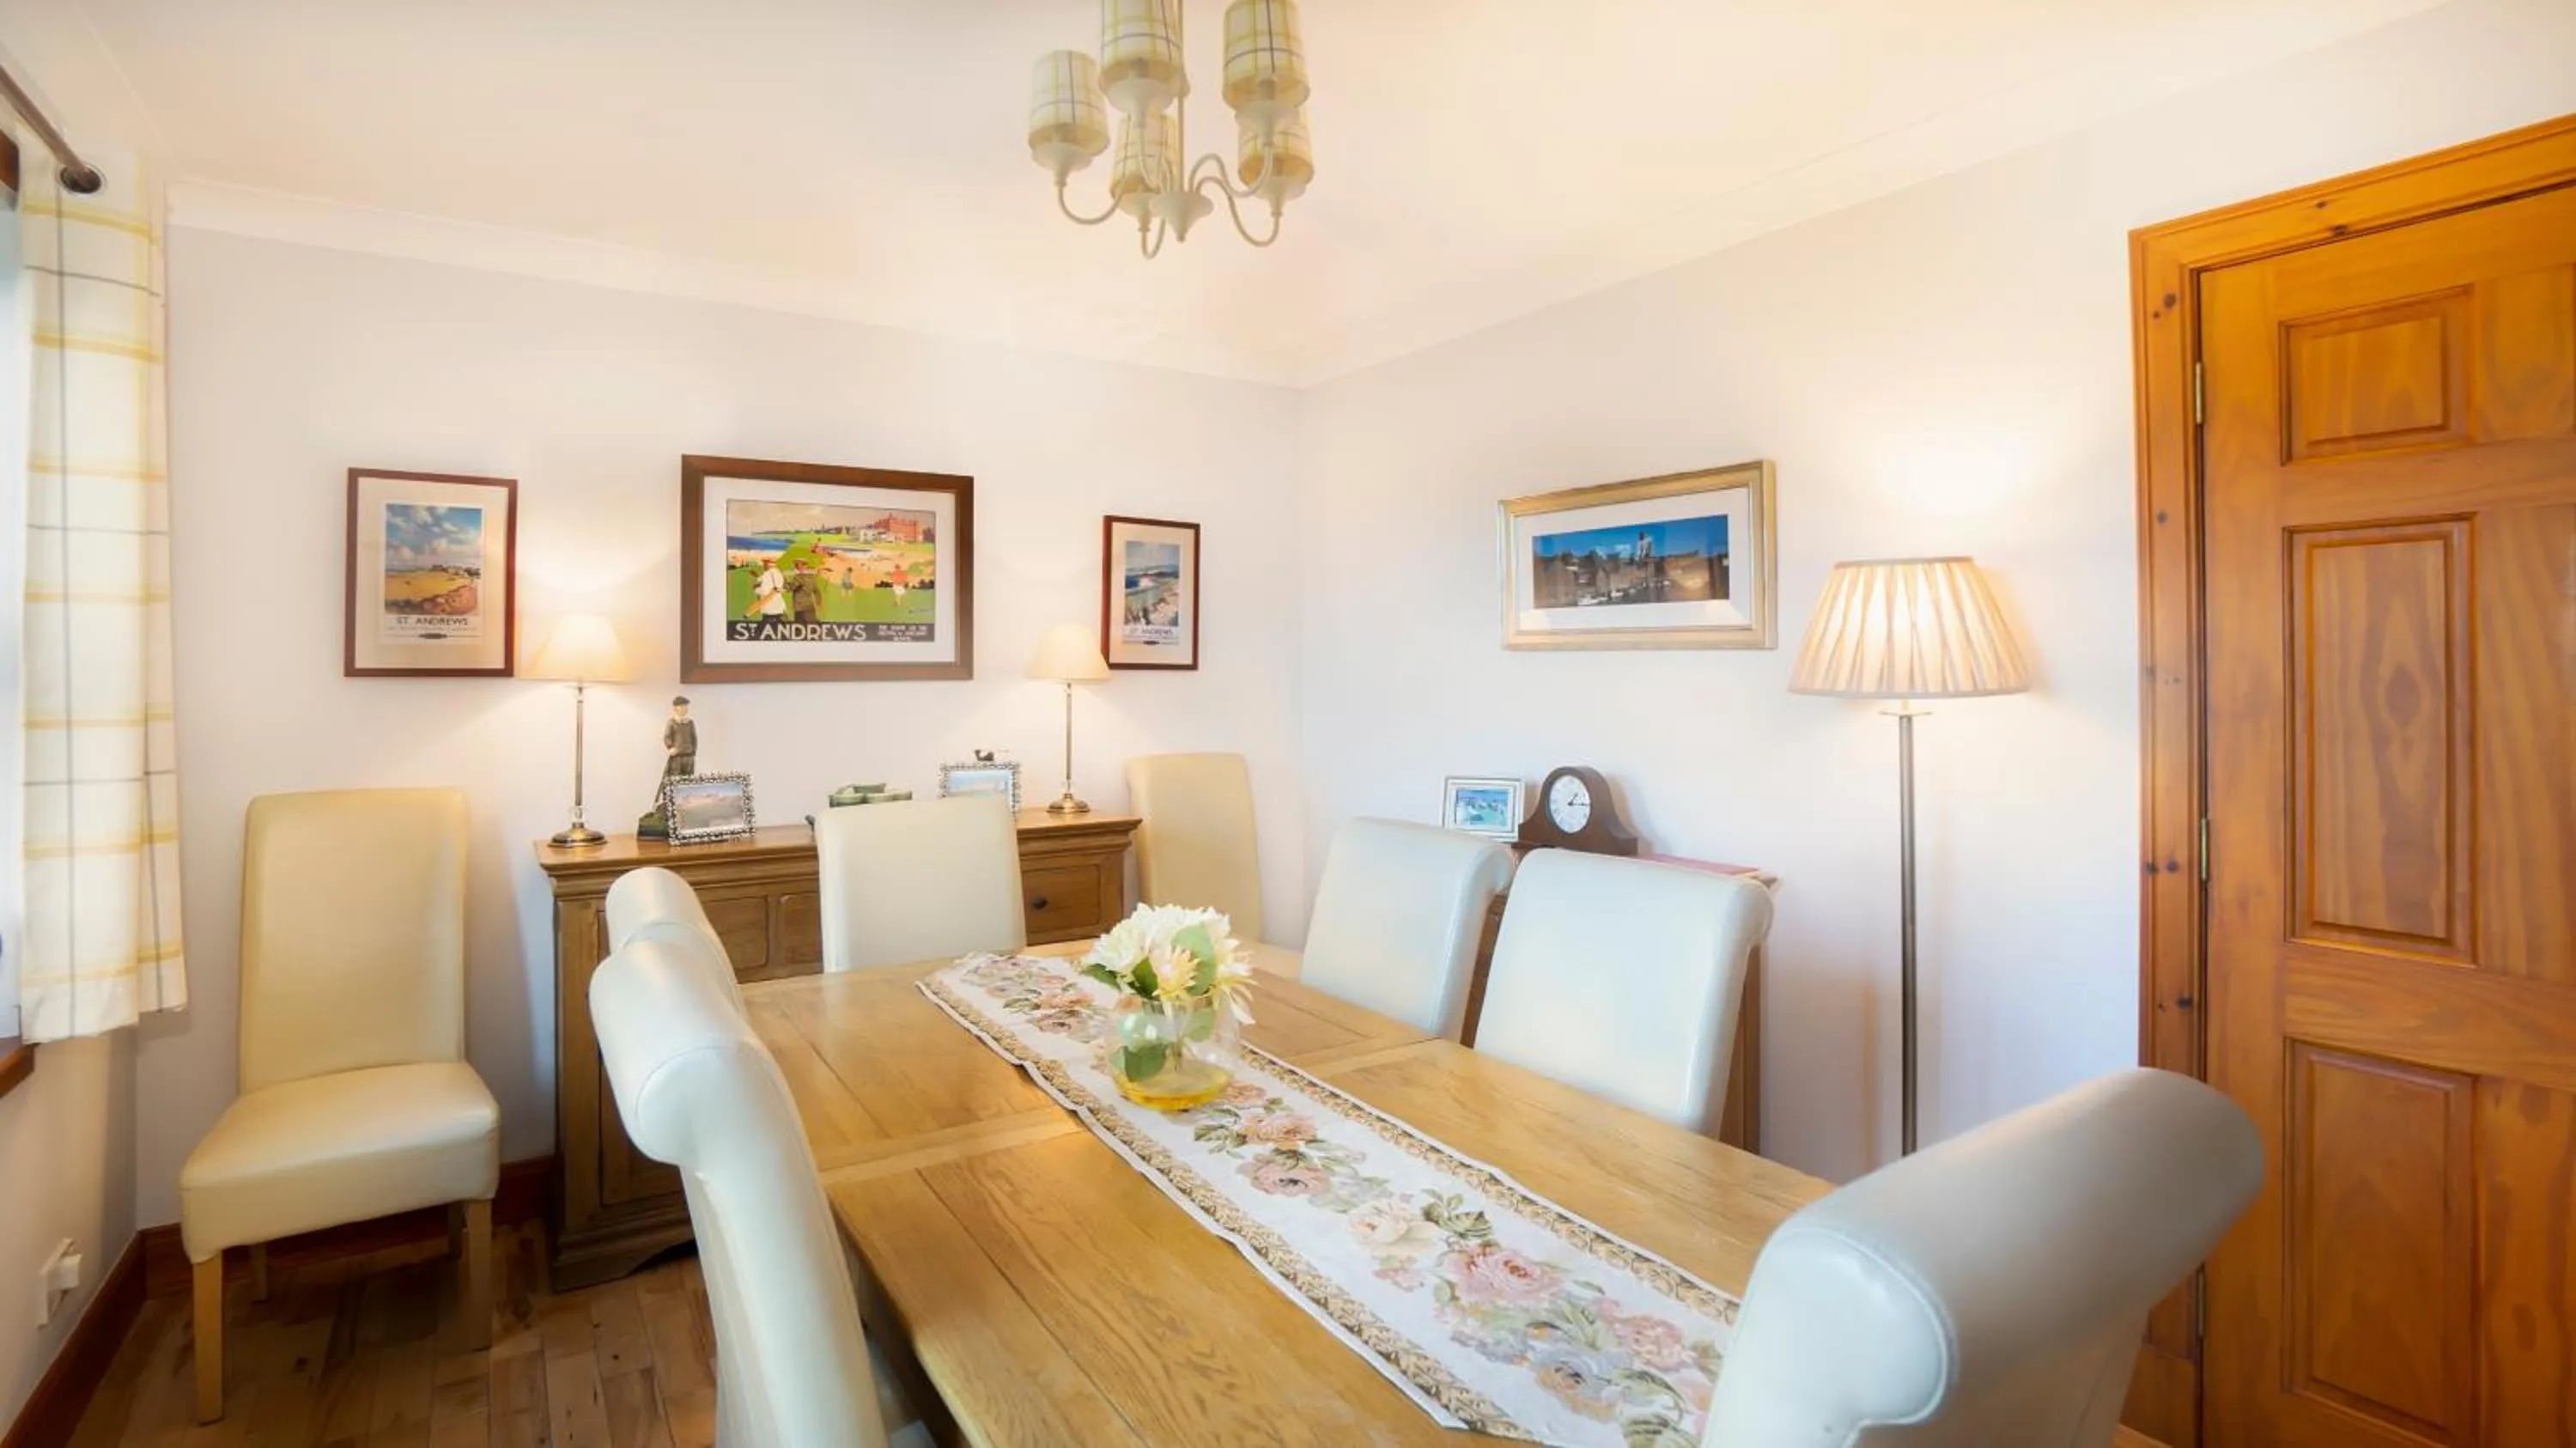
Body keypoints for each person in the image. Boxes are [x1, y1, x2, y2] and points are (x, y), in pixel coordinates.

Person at [787, 558, 823, 624]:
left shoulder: (797, 577)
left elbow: (791, 588)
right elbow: (817, 591)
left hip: (803, 608)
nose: (797, 567)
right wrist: (819, 603)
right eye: (797, 566)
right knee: (809, 627)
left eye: (798, 565)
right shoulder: (811, 577)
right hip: (805, 607)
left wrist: (785, 582)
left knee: (803, 628)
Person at [753, 555, 787, 622]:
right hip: (779, 608)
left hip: (770, 609)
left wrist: (755, 589)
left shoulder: (768, 574)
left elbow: (764, 591)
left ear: (768, 564)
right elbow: (774, 584)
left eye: (764, 563)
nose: (763, 565)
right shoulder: (778, 572)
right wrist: (757, 577)